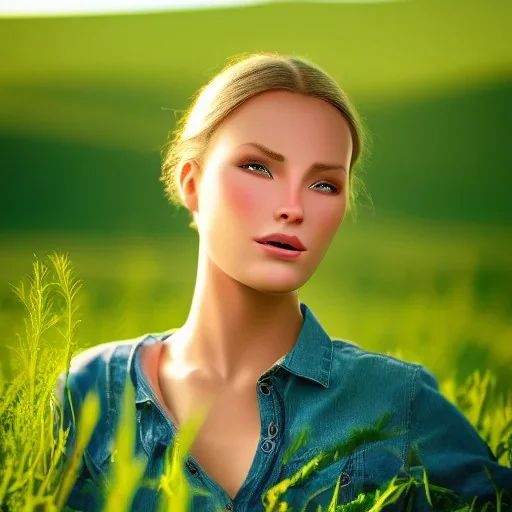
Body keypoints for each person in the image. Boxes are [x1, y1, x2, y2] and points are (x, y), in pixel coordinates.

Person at [55, 52, 512, 512]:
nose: (293, 207)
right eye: (258, 167)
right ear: (192, 183)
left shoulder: (398, 401)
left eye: (324, 184)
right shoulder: (89, 392)